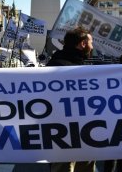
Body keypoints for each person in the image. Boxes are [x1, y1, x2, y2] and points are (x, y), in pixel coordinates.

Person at [46, 27, 95, 172]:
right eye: (91, 42)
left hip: (85, 132)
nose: (93, 47)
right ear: (83, 44)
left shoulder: (75, 64)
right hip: (63, 133)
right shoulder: (60, 66)